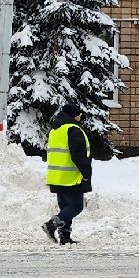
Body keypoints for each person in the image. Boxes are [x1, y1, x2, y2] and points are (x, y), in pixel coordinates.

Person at [42, 103, 97, 245]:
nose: (80, 116)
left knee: (65, 208)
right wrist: (86, 173)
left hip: (56, 175)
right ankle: (51, 225)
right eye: (79, 114)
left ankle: (65, 237)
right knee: (76, 206)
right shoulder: (73, 129)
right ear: (75, 115)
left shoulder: (56, 129)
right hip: (70, 176)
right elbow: (78, 154)